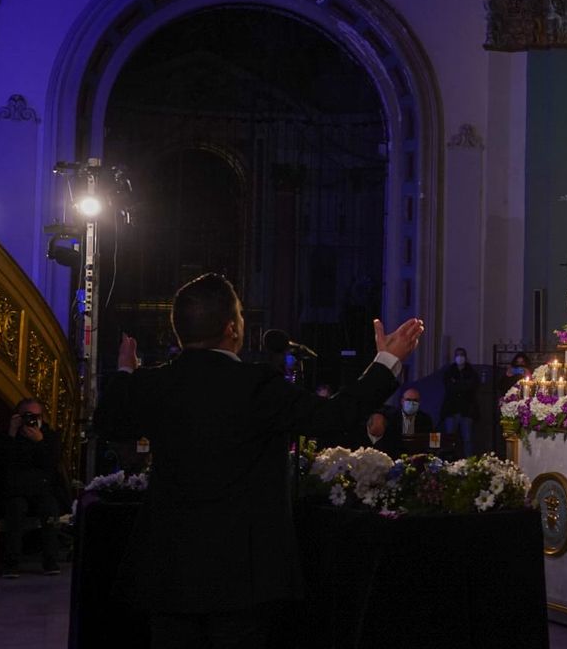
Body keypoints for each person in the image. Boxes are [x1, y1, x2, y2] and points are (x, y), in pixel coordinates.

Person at [94, 273, 422, 648]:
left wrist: (124, 370)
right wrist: (386, 361)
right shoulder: (255, 384)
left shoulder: (153, 384)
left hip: (170, 571)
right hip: (242, 573)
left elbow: (109, 419)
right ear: (232, 328)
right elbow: (333, 418)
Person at [0, 397, 62, 577]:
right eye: (27, 415)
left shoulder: (50, 436)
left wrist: (40, 441)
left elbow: (52, 464)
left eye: (36, 416)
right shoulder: (10, 436)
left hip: (42, 490)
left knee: (50, 509)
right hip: (16, 490)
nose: (31, 420)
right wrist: (12, 432)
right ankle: (11, 563)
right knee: (16, 509)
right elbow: (4, 463)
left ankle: (51, 561)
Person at [367, 389, 435, 458]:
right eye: (408, 400)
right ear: (402, 401)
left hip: (417, 457)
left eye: (415, 400)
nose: (412, 403)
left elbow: (430, 441)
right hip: (394, 457)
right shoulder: (391, 416)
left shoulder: (425, 419)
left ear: (419, 402)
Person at [440, 347, 480, 457]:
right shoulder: (449, 371)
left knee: (467, 439)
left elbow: (472, 386)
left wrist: (458, 384)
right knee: (449, 439)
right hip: (451, 410)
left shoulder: (471, 371)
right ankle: (448, 460)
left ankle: (468, 462)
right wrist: (462, 385)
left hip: (466, 411)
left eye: (462, 355)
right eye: (458, 355)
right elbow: (449, 388)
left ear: (465, 357)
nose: (460, 357)